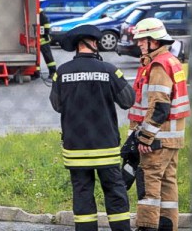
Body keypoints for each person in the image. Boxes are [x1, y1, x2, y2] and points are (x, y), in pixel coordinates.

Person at [49, 25, 135, 231]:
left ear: (78, 46)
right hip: (105, 147)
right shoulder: (109, 70)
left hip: (76, 148)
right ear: (93, 44)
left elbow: (57, 105)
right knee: (115, 192)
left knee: (82, 195)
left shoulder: (62, 73)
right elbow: (128, 100)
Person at [128, 18, 190, 231]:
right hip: (172, 138)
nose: (138, 44)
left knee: (149, 184)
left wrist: (145, 137)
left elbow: (159, 106)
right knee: (168, 184)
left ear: (153, 41)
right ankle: (167, 226)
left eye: (141, 40)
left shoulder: (158, 65)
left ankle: (146, 226)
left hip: (157, 139)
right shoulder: (171, 60)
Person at [35, 8, 56, 79]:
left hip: (41, 40)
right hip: (43, 40)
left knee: (37, 57)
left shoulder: (40, 15)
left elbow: (46, 27)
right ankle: (52, 72)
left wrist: (45, 34)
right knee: (47, 57)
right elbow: (46, 26)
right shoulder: (42, 15)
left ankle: (37, 73)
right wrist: (46, 35)